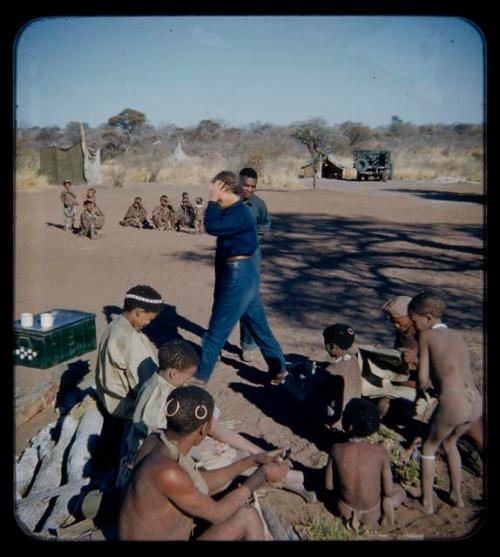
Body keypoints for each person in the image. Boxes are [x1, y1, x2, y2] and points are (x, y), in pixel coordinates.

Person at [119, 339, 314, 501]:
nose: (188, 381)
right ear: (173, 373)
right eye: (186, 377)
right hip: (159, 460)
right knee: (229, 457)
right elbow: (169, 443)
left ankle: (285, 475)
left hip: (172, 444)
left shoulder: (160, 382)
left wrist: (258, 450)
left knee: (233, 447)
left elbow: (209, 426)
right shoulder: (162, 401)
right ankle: (294, 478)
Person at [119, 385, 290, 540]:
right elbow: (217, 514)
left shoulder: (157, 441)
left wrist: (251, 461)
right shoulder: (167, 473)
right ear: (204, 428)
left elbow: (199, 482)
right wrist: (262, 475)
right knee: (248, 517)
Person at [195, 171, 288, 385]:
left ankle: (199, 380)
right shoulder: (235, 209)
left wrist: (211, 200)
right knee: (258, 326)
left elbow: (211, 226)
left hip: (238, 274)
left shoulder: (239, 211)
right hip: (244, 273)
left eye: (216, 190)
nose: (213, 194)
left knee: (215, 332)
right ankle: (279, 369)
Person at [407, 292, 482, 514]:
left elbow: (422, 379)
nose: (412, 323)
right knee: (450, 444)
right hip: (475, 401)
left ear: (428, 318)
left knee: (429, 447)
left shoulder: (427, 337)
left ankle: (426, 502)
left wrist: (416, 366)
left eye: (414, 319)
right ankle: (456, 496)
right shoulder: (457, 335)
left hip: (453, 401)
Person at [383, 295, 484, 458]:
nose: (395, 326)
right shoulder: (403, 334)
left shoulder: (430, 337)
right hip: (424, 387)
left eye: (399, 321)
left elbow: (440, 373)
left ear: (412, 316)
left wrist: (415, 362)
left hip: (446, 392)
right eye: (392, 321)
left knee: (474, 430)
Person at [325, 398, 406, 530]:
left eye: (344, 414)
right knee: (400, 491)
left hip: (344, 511)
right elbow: (388, 490)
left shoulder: (336, 449)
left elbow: (328, 486)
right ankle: (387, 515)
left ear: (349, 426)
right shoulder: (381, 452)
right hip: (372, 514)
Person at [238, 167, 272, 362]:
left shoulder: (259, 204)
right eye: (245, 185)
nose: (249, 190)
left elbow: (265, 223)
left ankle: (248, 345)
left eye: (253, 186)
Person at [316, 323, 362, 429]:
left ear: (331, 346)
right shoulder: (353, 357)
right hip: (354, 408)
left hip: (338, 418)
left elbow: (313, 383)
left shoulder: (332, 369)